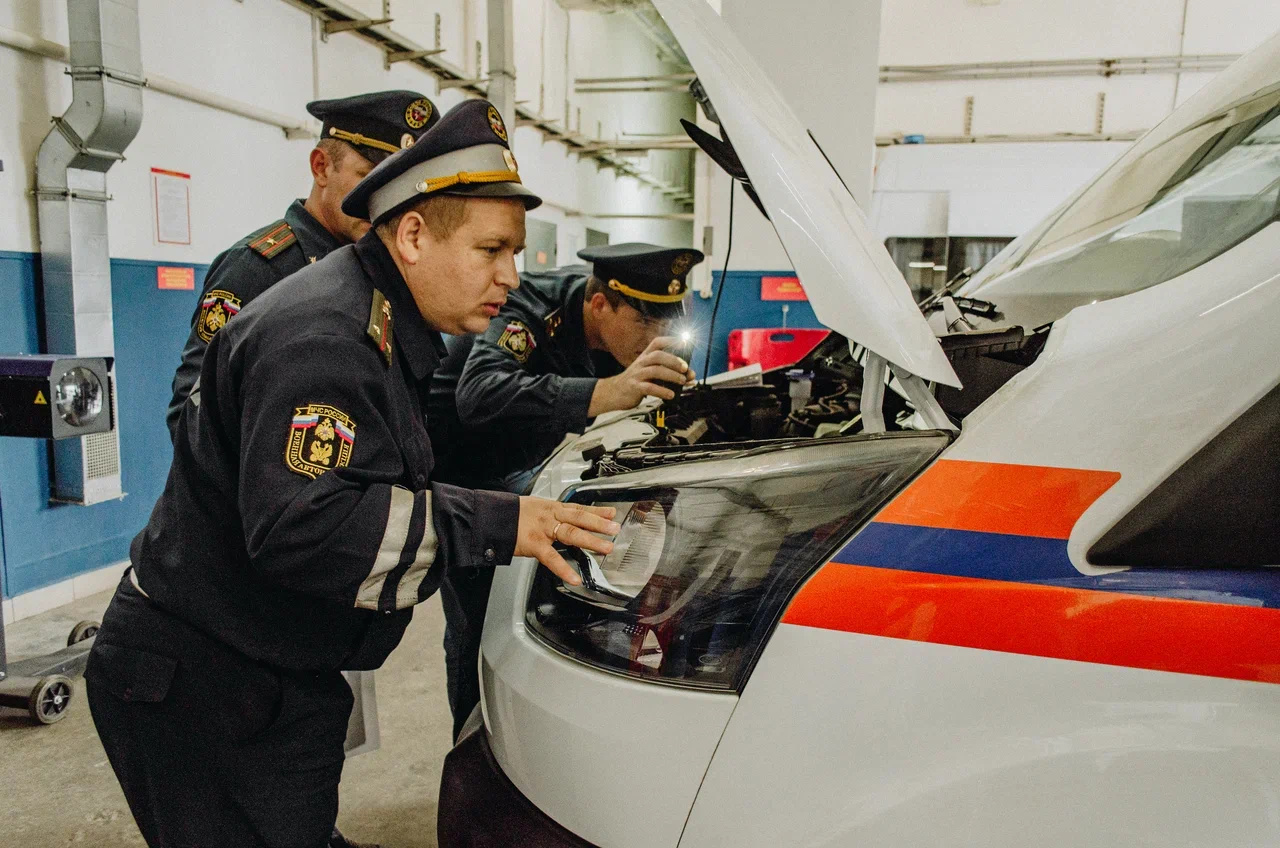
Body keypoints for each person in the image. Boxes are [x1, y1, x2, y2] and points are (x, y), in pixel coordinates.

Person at [85, 98, 619, 848]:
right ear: (410, 235)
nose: (510, 277)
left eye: (515, 252)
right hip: (207, 677)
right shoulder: (327, 338)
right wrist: (502, 521)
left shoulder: (373, 317)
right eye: (491, 250)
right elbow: (307, 526)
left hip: (266, 663)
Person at [428, 242, 706, 739]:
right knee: (478, 623)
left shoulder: (623, 331)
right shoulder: (529, 309)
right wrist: (607, 392)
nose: (655, 340)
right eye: (645, 325)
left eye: (666, 326)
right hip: (462, 475)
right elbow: (480, 393)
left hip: (525, 462)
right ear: (601, 304)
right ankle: (474, 748)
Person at [165, 89, 440, 441]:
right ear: (321, 167)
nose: (382, 202)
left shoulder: (388, 273)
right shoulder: (256, 269)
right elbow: (192, 414)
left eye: (396, 187)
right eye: (368, 177)